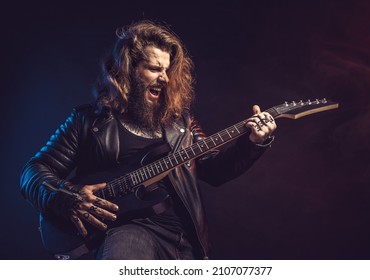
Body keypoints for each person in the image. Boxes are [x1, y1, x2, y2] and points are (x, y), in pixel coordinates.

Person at [20, 20, 277, 260]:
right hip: (126, 235)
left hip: (182, 238)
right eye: (155, 68)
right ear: (128, 70)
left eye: (167, 70)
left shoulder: (182, 124)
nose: (164, 78)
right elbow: (33, 172)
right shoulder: (88, 121)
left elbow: (215, 170)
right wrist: (69, 197)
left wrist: (253, 142)